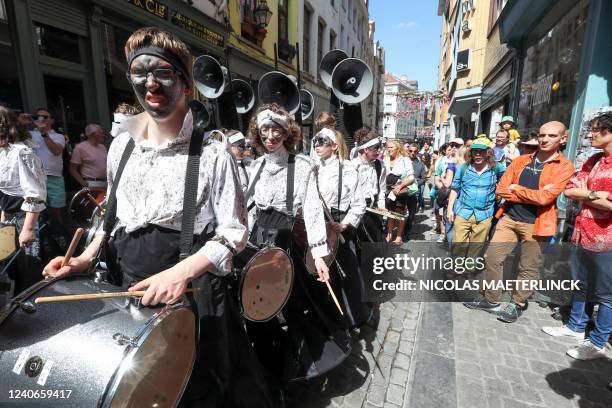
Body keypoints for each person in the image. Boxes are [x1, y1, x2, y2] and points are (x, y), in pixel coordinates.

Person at [41, 26, 273, 407]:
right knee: (145, 386)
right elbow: (112, 216)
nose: (150, 84)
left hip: (194, 293)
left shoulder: (213, 154)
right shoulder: (122, 148)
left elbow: (234, 232)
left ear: (184, 84)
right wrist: (85, 258)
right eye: (139, 73)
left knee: (198, 386)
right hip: (129, 285)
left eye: (162, 72)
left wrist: (180, 273)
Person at [245, 103, 350, 389]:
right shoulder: (256, 166)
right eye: (264, 130)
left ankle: (297, 360)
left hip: (284, 245)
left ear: (286, 132)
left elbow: (314, 210)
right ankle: (266, 359)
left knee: (289, 304)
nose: (269, 136)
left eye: (275, 130)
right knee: (257, 304)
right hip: (257, 244)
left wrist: (319, 255)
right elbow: (248, 208)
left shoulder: (302, 166)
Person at [466, 121, 575, 323]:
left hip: (537, 224)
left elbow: (545, 198)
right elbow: (501, 188)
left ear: (563, 139)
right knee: (492, 257)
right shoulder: (521, 160)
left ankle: (518, 304)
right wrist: (526, 192)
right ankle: (491, 299)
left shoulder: (565, 166)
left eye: (551, 136)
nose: (544, 139)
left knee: (528, 267)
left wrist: (516, 189)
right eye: (542, 135)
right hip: (509, 218)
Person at [542, 112, 612, 360]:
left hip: (607, 241)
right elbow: (570, 190)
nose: (590, 134)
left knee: (606, 295)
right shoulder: (593, 160)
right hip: (583, 235)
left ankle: (597, 342)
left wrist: (588, 194)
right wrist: (595, 195)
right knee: (581, 285)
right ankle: (575, 326)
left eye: (596, 130)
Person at [310, 126, 369, 327]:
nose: (317, 146)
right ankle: (327, 317)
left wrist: (345, 224)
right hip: (318, 225)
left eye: (323, 142)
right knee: (321, 273)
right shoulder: (312, 168)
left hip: (341, 224)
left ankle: (352, 317)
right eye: (315, 141)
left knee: (348, 273)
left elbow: (360, 203)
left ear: (335, 146)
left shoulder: (349, 168)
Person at [0, 106, 47, 294]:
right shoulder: (2, 151)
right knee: (12, 271)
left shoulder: (22, 152)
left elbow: (35, 193)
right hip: (9, 216)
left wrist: (27, 230)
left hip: (25, 217)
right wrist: (3, 218)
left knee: (29, 269)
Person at [446, 137, 504, 271]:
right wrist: (450, 209)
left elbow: (506, 179)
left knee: (476, 246)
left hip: (484, 214)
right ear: (470, 153)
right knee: (458, 244)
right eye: (475, 152)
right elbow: (455, 189)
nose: (478, 155)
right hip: (463, 212)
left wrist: (500, 194)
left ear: (488, 153)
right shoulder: (463, 168)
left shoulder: (496, 168)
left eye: (481, 152)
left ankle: (469, 271)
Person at [30, 108, 66, 224]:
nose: (41, 119)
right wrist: (20, 122)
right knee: (36, 212)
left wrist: (44, 133)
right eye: (38, 117)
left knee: (57, 211)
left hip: (54, 177)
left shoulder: (59, 136)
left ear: (52, 120)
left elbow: (56, 151)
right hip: (35, 177)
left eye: (45, 117)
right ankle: (40, 239)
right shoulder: (29, 134)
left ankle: (60, 235)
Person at [351, 128, 386, 243]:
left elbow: (381, 188)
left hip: (373, 211)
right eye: (375, 149)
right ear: (365, 149)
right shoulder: (352, 167)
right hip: (356, 212)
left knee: (379, 244)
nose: (378, 152)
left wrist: (381, 205)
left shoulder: (380, 165)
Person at [383, 138, 414, 244]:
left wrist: (400, 186)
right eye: (388, 147)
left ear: (397, 148)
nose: (388, 149)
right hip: (388, 190)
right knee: (390, 213)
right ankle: (389, 234)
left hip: (400, 191)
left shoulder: (405, 160)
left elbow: (411, 177)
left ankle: (399, 237)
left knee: (400, 213)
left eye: (391, 147)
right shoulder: (385, 159)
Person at [69, 124, 108, 189]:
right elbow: (72, 169)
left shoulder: (102, 147)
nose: (102, 135)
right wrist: (83, 183)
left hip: (105, 182)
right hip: (91, 183)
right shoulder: (80, 147)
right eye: (100, 133)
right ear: (92, 134)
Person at [404, 143, 427, 239]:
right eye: (411, 151)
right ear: (408, 151)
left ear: (417, 152)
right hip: (402, 191)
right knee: (400, 212)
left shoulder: (420, 164)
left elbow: (424, 178)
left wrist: (416, 183)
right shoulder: (403, 162)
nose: (413, 153)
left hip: (414, 193)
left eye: (415, 151)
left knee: (411, 213)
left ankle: (406, 232)